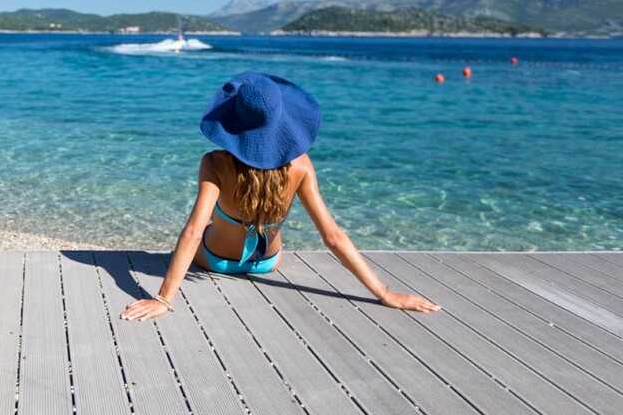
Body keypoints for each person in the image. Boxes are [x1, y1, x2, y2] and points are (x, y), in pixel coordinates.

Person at [122, 72, 439, 321]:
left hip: (216, 261)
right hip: (267, 264)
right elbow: (332, 236)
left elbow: (192, 231)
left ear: (234, 121)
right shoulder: (300, 166)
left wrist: (164, 298)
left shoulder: (214, 163)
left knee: (208, 225)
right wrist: (384, 293)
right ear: (282, 121)